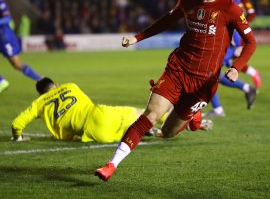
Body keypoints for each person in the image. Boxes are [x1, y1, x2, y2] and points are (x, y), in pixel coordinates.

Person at [95, 0, 256, 181]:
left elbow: (251, 42)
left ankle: (193, 116)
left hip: (203, 82)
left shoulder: (230, 8)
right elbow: (166, 21)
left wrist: (236, 67)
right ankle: (111, 165)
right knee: (151, 115)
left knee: (168, 132)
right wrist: (137, 37)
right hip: (177, 69)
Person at [11, 77, 214, 143]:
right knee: (149, 116)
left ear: (41, 93)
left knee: (140, 131)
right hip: (102, 114)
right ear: (55, 85)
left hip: (92, 134)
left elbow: (16, 124)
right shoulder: (70, 86)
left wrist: (17, 137)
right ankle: (189, 123)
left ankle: (152, 131)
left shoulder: (39, 104)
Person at [0, 0, 42, 92]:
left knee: (17, 64)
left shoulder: (1, 2)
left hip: (5, 38)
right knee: (16, 64)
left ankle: (41, 79)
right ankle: (1, 81)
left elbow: (7, 18)